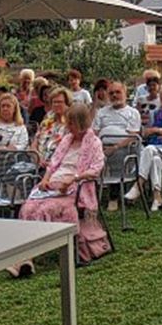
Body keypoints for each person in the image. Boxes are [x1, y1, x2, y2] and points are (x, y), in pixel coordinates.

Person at [15, 102, 111, 273]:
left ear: (81, 122)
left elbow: (96, 169)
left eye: (71, 123)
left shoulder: (94, 142)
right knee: (28, 208)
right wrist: (45, 179)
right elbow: (53, 164)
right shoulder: (67, 139)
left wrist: (74, 178)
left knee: (46, 209)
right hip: (54, 183)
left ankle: (29, 256)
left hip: (75, 187)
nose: (68, 126)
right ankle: (26, 257)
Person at [126, 85, 162, 210]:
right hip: (157, 149)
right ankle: (157, 197)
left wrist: (157, 130)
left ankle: (139, 184)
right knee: (155, 160)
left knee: (149, 149)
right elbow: (146, 132)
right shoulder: (156, 114)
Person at [32, 87, 71, 163]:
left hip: (59, 164)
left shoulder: (71, 122)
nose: (56, 104)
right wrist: (38, 158)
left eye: (59, 102)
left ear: (67, 104)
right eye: (54, 102)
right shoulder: (48, 117)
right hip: (38, 162)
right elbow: (35, 142)